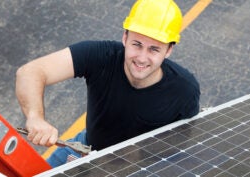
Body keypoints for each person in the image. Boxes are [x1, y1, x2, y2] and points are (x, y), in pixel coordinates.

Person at [16, 0, 200, 167]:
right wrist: (35, 117)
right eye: (137, 44)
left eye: (154, 49)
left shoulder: (184, 91)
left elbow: (179, 144)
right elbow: (30, 72)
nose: (142, 58)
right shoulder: (100, 56)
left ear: (168, 50)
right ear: (125, 38)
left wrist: (139, 155)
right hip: (86, 147)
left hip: (136, 168)